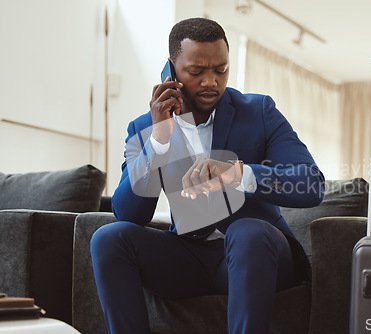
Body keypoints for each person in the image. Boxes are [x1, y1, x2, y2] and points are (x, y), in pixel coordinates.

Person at [90, 17, 325, 334]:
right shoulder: (145, 128)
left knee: (247, 231)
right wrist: (159, 141)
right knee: (107, 238)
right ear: (172, 69)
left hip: (258, 254)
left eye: (221, 70)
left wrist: (237, 173)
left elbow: (311, 184)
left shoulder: (260, 111)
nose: (211, 82)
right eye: (197, 71)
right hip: (190, 258)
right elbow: (129, 214)